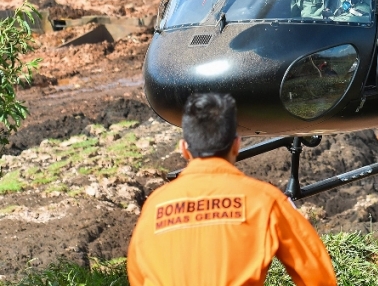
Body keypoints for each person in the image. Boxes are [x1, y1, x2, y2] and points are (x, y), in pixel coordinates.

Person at [127, 93, 337, 286]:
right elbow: (318, 276)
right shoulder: (265, 201)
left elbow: (137, 275)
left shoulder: (155, 205)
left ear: (184, 149)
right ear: (236, 145)